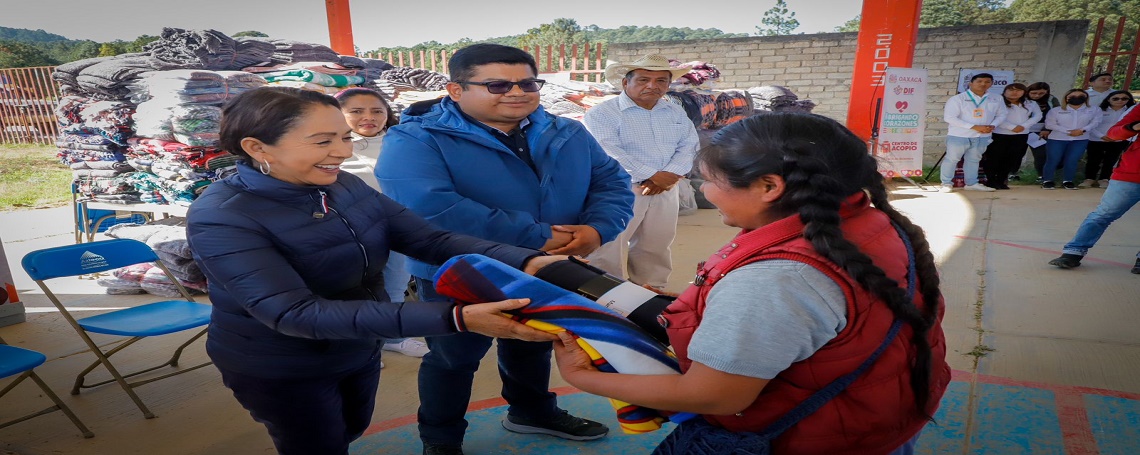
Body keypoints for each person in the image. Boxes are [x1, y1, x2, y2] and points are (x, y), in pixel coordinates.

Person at [186, 86, 562, 455]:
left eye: (345, 137)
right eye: (322, 142)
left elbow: (430, 240)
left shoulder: (343, 186)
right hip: (283, 363)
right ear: (257, 147)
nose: (342, 152)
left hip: (358, 342)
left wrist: (526, 261)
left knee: (351, 428)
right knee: (317, 443)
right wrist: (459, 318)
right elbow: (292, 312)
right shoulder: (223, 216)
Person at [553, 112, 950, 454]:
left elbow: (715, 396)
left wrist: (582, 377)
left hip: (809, 438)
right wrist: (712, 303)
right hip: (876, 418)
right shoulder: (863, 221)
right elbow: (832, 314)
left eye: (707, 180)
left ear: (768, 187)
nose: (703, 191)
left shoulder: (779, 278)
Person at [376, 43, 634, 455]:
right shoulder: (416, 138)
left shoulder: (566, 131)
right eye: (497, 84)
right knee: (452, 359)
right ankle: (441, 439)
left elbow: (611, 182)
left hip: (547, 267)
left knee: (533, 344)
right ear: (456, 90)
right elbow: (433, 209)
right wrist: (539, 236)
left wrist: (597, 230)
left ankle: (531, 412)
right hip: (458, 271)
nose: (516, 92)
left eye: (527, 82)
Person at [582, 54, 699, 291]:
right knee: (609, 245)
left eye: (661, 81)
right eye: (644, 79)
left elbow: (689, 145)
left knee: (656, 244)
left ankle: (650, 292)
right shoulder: (603, 113)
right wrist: (651, 175)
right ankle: (606, 298)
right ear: (626, 83)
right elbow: (607, 150)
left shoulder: (675, 112)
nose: (652, 86)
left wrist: (669, 175)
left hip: (666, 188)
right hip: (620, 188)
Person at [334, 87, 429, 359]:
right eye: (356, 111)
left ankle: (391, 337)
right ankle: (360, 345)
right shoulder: (331, 146)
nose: (369, 117)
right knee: (352, 288)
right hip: (349, 232)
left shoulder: (402, 142)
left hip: (398, 227)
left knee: (395, 284)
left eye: (377, 111)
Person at [1049, 104, 1140, 274]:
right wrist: (1135, 127)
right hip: (1131, 173)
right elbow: (1114, 134)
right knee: (1104, 213)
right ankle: (1073, 252)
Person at [941, 72, 1005, 192]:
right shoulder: (958, 99)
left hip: (983, 136)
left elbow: (1002, 114)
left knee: (974, 159)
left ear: (991, 84)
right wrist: (973, 126)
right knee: (952, 159)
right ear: (971, 83)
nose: (983, 84)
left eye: (987, 82)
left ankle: (971, 184)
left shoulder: (996, 98)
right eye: (979, 81)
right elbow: (949, 118)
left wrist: (993, 125)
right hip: (959, 135)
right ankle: (946, 183)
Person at [980, 83, 1040, 190]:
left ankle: (1002, 180)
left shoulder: (1030, 103)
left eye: (1018, 90)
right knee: (994, 158)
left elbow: (1037, 116)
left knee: (1012, 159)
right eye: (1011, 90)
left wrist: (1024, 126)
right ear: (1005, 91)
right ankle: (991, 180)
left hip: (1021, 135)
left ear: (1024, 92)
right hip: (1000, 134)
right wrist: (1011, 127)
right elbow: (994, 116)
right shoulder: (997, 102)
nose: (1014, 92)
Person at [1042, 89, 1100, 190]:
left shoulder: (1094, 110)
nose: (1077, 98)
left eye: (1080, 96)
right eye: (1073, 96)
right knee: (1053, 159)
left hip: (1080, 139)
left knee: (1072, 160)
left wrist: (1083, 130)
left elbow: (1096, 122)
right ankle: (1048, 180)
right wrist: (1068, 131)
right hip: (1057, 139)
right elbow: (1050, 124)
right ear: (1066, 97)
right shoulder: (1056, 110)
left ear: (1086, 98)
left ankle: (1068, 181)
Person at [1082, 90, 1135, 188]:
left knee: (1111, 160)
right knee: (1093, 160)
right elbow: (1091, 125)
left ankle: (1104, 179)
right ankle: (1089, 179)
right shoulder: (1099, 110)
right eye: (1116, 98)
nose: (1120, 101)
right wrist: (1101, 136)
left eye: (1124, 98)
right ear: (1108, 99)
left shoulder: (1130, 111)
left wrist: (1118, 136)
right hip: (1097, 139)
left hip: (1118, 140)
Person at [1026, 82, 1061, 183]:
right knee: (1016, 153)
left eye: (1041, 93)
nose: (1037, 96)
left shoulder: (1051, 99)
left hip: (1041, 131)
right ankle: (1013, 173)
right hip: (1020, 130)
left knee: (1041, 154)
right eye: (1034, 93)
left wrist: (1047, 128)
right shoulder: (1022, 99)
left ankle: (1042, 175)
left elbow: (1055, 115)